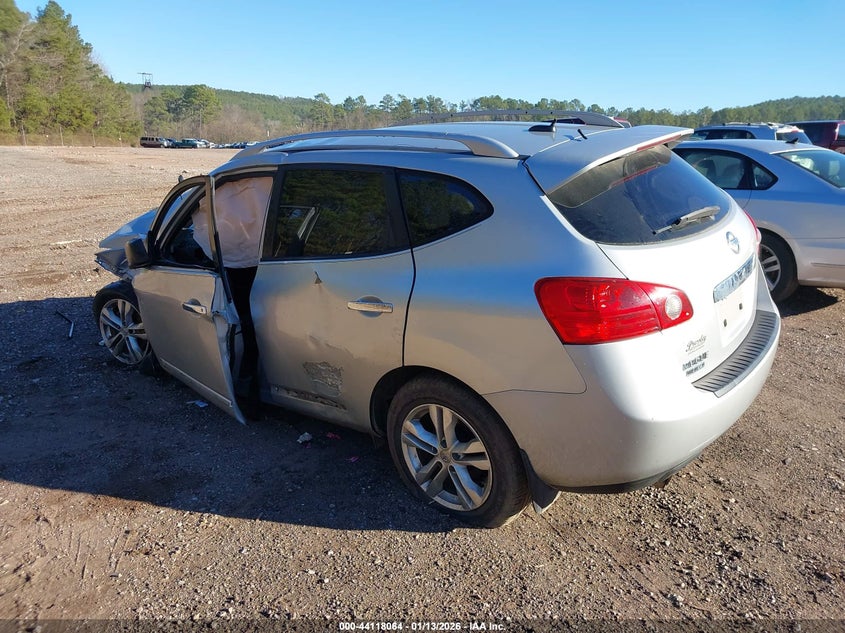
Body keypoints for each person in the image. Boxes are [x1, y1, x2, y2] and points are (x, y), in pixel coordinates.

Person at [193, 177, 274, 415]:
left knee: (249, 330)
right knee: (256, 330)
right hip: (268, 262)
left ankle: (249, 393)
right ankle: (256, 391)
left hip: (233, 264)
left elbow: (201, 226)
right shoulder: (266, 180)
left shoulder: (223, 185)